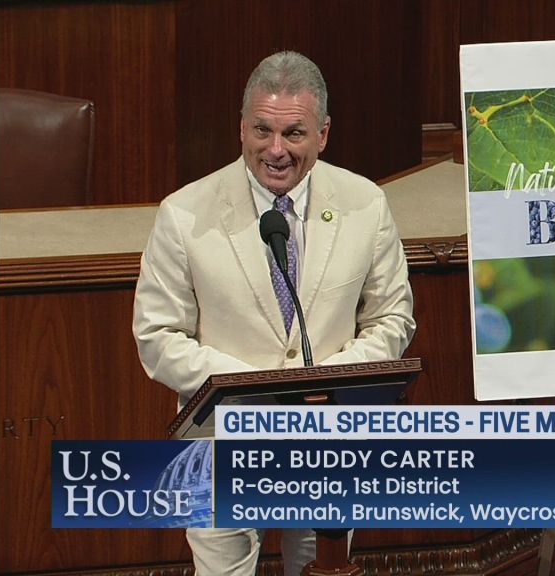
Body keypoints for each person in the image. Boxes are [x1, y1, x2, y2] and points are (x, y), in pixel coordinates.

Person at [132, 50, 416, 576]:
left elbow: (392, 317)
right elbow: (157, 335)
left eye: (294, 134)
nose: (276, 150)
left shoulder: (365, 204)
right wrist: (251, 386)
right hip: (221, 443)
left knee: (322, 568)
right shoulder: (183, 213)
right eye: (262, 131)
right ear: (241, 128)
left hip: (329, 439)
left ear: (323, 134)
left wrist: (326, 383)